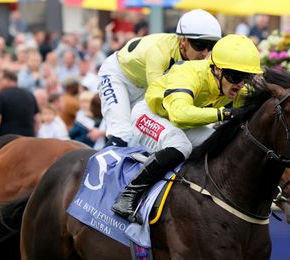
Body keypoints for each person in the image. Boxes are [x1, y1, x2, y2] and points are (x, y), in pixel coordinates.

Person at [111, 34, 263, 222]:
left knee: (225, 144)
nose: (240, 85)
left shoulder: (237, 85)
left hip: (180, 123)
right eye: (235, 77)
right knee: (180, 145)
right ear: (216, 69)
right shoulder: (189, 73)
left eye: (246, 78)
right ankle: (128, 195)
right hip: (149, 115)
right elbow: (180, 114)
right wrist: (225, 114)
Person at [97, 8, 222, 148]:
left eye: (211, 46)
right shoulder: (159, 51)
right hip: (118, 77)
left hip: (144, 86)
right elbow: (157, 97)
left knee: (144, 140)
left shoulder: (200, 59)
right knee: (122, 135)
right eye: (199, 45)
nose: (205, 53)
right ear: (183, 40)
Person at [0, 69, 39, 138]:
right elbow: (37, 120)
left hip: (7, 141)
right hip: (27, 141)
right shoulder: (29, 95)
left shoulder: (1, 96)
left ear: (7, 80)